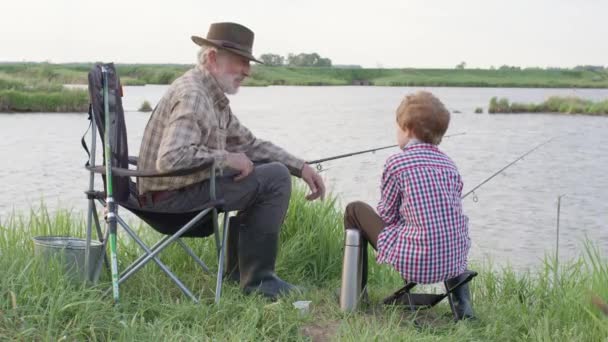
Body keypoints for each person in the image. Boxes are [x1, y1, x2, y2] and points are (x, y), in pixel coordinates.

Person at [136, 22, 325, 299]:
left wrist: (301, 166)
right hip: (170, 203)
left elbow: (249, 145)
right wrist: (226, 158)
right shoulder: (194, 95)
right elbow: (171, 158)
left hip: (172, 194)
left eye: (248, 63)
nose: (247, 71)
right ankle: (259, 281)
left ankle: (240, 274)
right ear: (213, 58)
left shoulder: (212, 96)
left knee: (266, 170)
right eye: (241, 62)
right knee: (274, 178)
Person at [343, 91, 474, 319]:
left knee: (354, 210)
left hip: (417, 263)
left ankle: (354, 292)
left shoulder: (397, 163)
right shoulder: (449, 164)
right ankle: (463, 308)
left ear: (407, 129)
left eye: (397, 127)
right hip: (455, 262)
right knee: (449, 230)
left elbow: (386, 215)